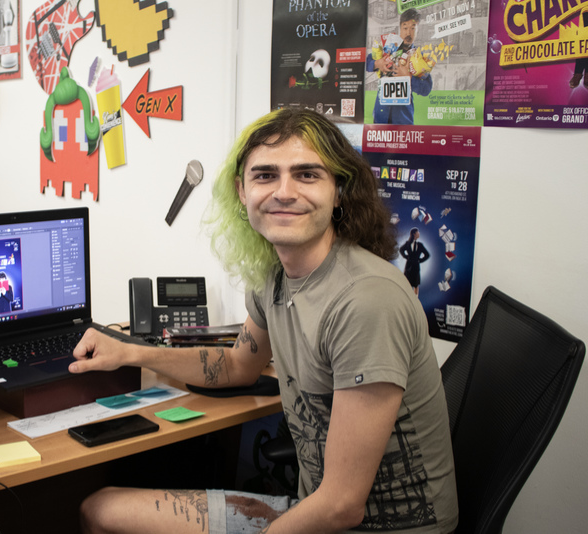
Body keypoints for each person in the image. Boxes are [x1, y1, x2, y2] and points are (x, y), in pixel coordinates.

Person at [71, 108, 457, 534]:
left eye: (307, 175)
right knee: (100, 509)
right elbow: (237, 366)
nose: (284, 192)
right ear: (242, 191)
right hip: (313, 509)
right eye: (265, 175)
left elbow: (343, 506)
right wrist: (130, 352)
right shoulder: (274, 275)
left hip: (373, 526)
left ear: (339, 190)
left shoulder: (366, 302)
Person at [366, 9, 433, 124]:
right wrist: (378, 64)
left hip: (403, 119)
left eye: (413, 28)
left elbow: (426, 89)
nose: (408, 33)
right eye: (405, 27)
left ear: (418, 30)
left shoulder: (419, 58)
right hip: (380, 117)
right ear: (399, 29)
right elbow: (365, 63)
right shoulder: (387, 48)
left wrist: (409, 78)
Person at [400, 227, 430, 296]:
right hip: (408, 266)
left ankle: (416, 300)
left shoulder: (420, 245)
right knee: (407, 284)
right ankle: (408, 299)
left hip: (416, 267)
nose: (419, 233)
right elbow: (401, 250)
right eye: (417, 232)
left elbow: (427, 255)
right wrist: (406, 257)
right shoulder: (407, 243)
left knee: (416, 284)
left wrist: (419, 260)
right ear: (414, 234)